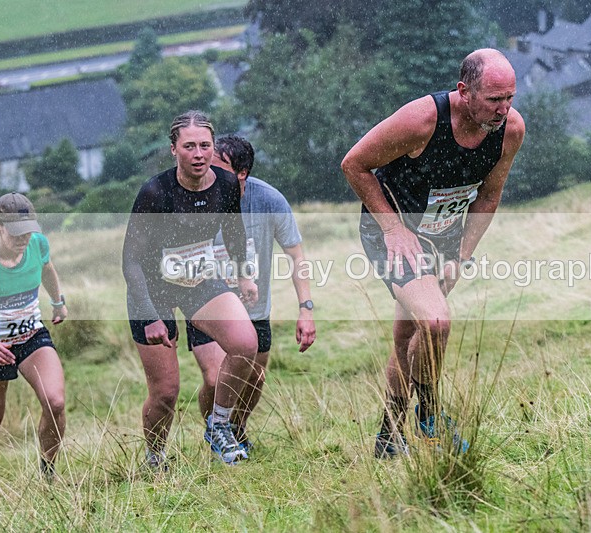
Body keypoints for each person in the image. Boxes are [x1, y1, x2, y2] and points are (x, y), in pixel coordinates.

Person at [341, 49, 525, 457]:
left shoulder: (510, 129)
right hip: (390, 233)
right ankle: (430, 415)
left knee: (412, 334)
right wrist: (393, 228)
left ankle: (389, 438)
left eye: (510, 97)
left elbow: (489, 195)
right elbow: (354, 164)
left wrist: (461, 253)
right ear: (464, 92)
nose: (504, 109)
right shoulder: (423, 120)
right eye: (494, 99)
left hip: (443, 238)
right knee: (437, 323)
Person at [122, 110, 259, 467]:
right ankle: (155, 456)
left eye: (205, 146)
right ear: (173, 149)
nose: (198, 154)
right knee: (166, 392)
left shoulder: (227, 184)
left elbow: (234, 232)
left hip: (198, 280)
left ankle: (219, 424)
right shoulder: (155, 192)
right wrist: (150, 316)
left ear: (213, 149)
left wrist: (244, 274)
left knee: (245, 344)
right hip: (153, 292)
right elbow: (130, 261)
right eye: (189, 146)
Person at [185, 135, 316, 455]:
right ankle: (216, 430)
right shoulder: (193, 199)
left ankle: (235, 429)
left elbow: (296, 256)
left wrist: (306, 309)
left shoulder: (269, 200)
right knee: (217, 378)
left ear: (241, 173)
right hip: (207, 304)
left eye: (218, 165)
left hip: (255, 308)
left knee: (254, 379)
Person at [0, 193, 68, 478]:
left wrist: (57, 302)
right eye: (16, 232)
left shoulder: (37, 244)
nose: (23, 238)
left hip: (30, 335)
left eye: (28, 231)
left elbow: (48, 269)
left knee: (55, 402)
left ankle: (48, 472)